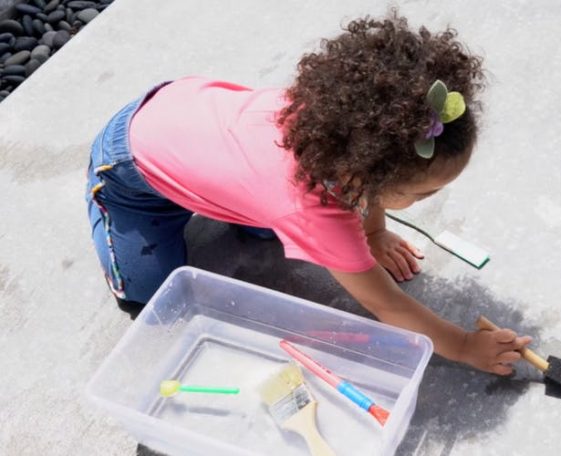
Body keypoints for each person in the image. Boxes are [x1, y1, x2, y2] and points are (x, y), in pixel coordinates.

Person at [85, 11, 531, 375]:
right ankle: (125, 211)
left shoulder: (339, 126)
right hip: (129, 169)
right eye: (424, 193)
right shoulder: (313, 209)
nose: (427, 200)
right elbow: (384, 301)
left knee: (272, 225)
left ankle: (227, 198)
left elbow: (370, 187)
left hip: (194, 115)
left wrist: (374, 235)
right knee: (146, 296)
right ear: (367, 175)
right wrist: (465, 345)